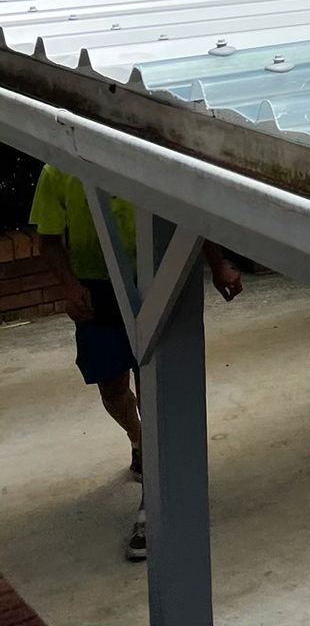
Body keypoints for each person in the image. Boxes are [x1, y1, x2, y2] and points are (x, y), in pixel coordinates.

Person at [29, 163, 244, 562]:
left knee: (154, 386)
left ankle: (153, 506)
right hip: (98, 291)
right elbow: (49, 240)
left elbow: (186, 216)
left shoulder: (144, 156)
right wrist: (69, 287)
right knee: (112, 389)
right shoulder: (57, 167)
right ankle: (139, 439)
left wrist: (218, 264)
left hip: (154, 281)